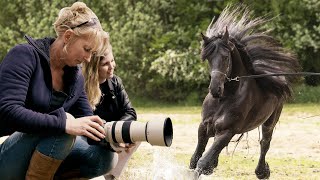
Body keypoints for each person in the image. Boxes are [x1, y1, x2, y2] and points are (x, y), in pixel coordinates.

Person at [0, 2, 117, 179]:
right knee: (64, 128)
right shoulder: (24, 56)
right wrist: (63, 123)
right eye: (87, 49)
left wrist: (115, 137)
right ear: (68, 36)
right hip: (6, 151)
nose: (88, 58)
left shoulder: (76, 77)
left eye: (92, 53)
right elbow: (8, 111)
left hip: (42, 153)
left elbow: (88, 122)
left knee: (105, 157)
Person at [82, 41, 140, 180]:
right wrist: (110, 139)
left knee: (137, 131)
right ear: (94, 67)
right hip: (89, 140)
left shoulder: (115, 82)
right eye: (105, 64)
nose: (112, 66)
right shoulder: (81, 87)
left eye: (112, 60)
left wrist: (117, 132)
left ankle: (112, 176)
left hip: (111, 133)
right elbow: (85, 129)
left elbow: (130, 112)